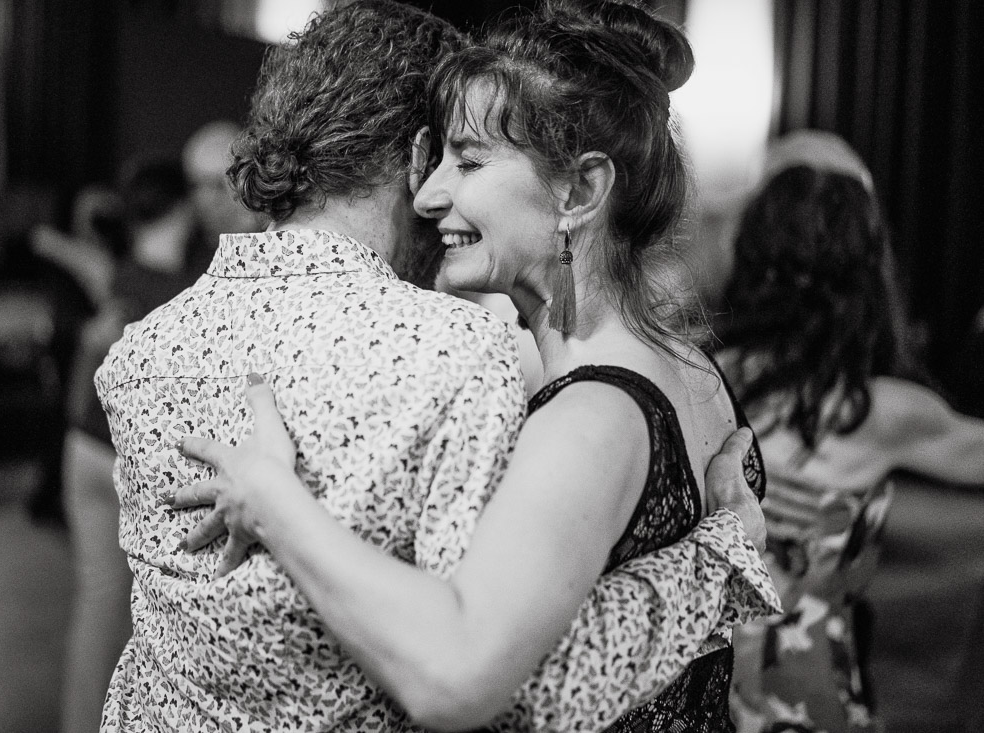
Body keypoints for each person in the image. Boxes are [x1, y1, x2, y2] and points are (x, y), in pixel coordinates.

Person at [159, 1, 776, 731]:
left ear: (579, 191)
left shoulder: (591, 420)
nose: (427, 194)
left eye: (470, 161)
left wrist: (273, 505)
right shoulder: (689, 367)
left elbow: (464, 677)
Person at [714, 134, 984, 733]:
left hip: (704, 681)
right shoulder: (884, 413)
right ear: (867, 273)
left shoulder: (702, 379)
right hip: (809, 692)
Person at [58, 158, 232, 733]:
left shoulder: (120, 274)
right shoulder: (193, 286)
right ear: (184, 207)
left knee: (95, 606)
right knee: (159, 618)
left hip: (83, 447)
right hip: (132, 461)